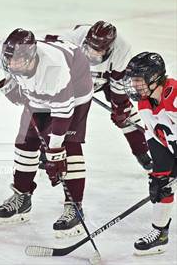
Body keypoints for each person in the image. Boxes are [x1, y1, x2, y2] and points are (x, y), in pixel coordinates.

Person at [0, 28, 93, 238]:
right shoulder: (2, 53)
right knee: (25, 142)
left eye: (17, 62)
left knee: (69, 145)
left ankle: (74, 207)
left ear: (31, 58)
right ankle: (22, 198)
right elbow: (9, 71)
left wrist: (54, 151)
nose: (11, 65)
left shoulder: (54, 70)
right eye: (9, 61)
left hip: (76, 88)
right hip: (41, 91)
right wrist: (13, 85)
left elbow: (62, 115)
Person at [61, 21, 152, 170]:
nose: (92, 54)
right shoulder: (70, 40)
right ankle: (48, 149)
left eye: (99, 51)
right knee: (61, 111)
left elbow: (118, 84)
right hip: (76, 77)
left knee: (124, 114)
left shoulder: (122, 50)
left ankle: (142, 150)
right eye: (90, 49)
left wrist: (120, 107)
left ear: (109, 48)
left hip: (108, 78)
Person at [123, 52, 176, 255]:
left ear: (154, 77)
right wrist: (161, 176)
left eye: (138, 80)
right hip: (170, 147)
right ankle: (160, 235)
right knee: (160, 184)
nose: (134, 86)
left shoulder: (175, 95)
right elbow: (155, 136)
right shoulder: (144, 103)